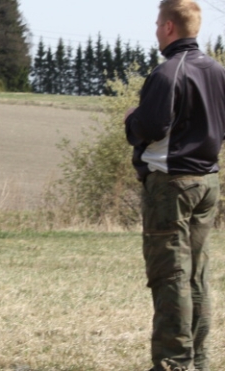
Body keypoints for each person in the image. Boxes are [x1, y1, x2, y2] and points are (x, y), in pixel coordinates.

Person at [124, 1, 225, 369]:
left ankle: (172, 362)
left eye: (156, 23)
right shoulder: (217, 70)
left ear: (168, 27)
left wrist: (131, 119)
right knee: (196, 275)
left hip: (172, 185)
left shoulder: (168, 71)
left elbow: (149, 128)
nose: (155, 30)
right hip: (207, 181)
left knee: (170, 276)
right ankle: (197, 360)